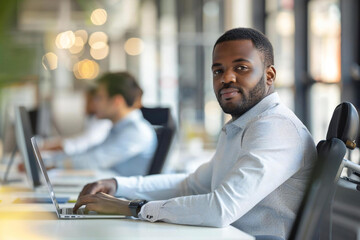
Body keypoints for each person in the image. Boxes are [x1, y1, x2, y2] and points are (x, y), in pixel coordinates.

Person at [73, 28, 317, 239]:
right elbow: (189, 186)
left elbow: (220, 208)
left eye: (241, 68)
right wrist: (117, 185)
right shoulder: (243, 125)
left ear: (269, 75)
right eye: (218, 71)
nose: (226, 78)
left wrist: (132, 208)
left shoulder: (276, 127)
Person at [54, 72, 158, 176]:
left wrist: (53, 164)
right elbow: (90, 153)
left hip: (121, 191)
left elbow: (94, 161)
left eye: (99, 97)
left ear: (117, 101)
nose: (94, 103)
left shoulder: (136, 131)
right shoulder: (119, 128)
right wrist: (52, 160)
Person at [42, 87, 113, 155]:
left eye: (87, 101)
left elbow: (80, 145)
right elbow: (78, 140)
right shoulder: (93, 119)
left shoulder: (103, 123)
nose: (84, 105)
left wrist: (50, 147)